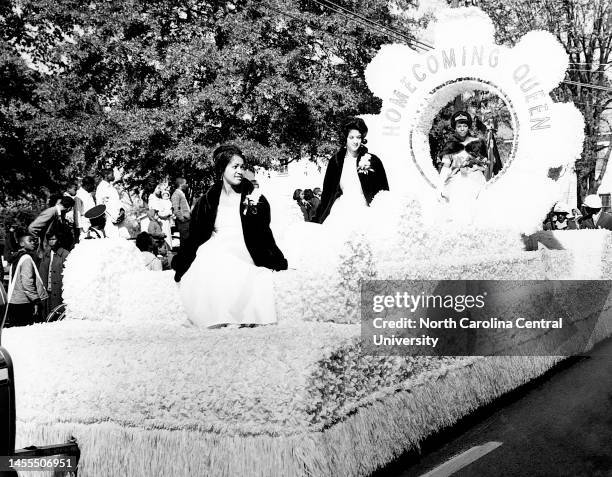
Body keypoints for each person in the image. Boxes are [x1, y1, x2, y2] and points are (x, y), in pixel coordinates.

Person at [172, 144, 288, 328]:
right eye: (235, 167)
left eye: (242, 167)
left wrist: (275, 258)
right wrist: (182, 261)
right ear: (221, 168)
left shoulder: (254, 196)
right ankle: (217, 316)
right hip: (216, 243)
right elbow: (196, 234)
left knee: (231, 261)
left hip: (245, 245)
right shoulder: (207, 201)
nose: (240, 171)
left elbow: (264, 232)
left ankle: (239, 315)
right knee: (209, 257)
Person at [314, 117, 389, 223]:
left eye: (358, 137)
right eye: (351, 137)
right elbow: (327, 192)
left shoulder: (373, 161)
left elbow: (383, 192)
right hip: (341, 212)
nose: (355, 141)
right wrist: (319, 218)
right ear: (345, 138)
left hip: (366, 213)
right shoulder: (335, 162)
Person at [438, 111, 489, 210]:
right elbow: (445, 167)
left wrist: (474, 166)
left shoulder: (477, 143)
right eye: (459, 126)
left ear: (468, 126)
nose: (462, 129)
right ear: (455, 128)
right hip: (456, 179)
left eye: (465, 126)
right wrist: (439, 186)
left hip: (476, 178)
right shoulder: (450, 145)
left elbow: (484, 165)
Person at [3, 230, 48, 327]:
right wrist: (35, 300)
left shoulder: (17, 257)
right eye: (30, 241)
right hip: (24, 302)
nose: (33, 243)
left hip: (14, 301)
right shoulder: (26, 258)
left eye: (34, 241)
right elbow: (27, 283)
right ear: (22, 243)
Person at [28, 195, 75, 260]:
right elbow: (32, 228)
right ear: (69, 208)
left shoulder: (58, 213)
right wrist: (40, 240)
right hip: (46, 249)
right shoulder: (51, 212)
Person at [38, 231, 70, 315]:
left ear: (58, 240)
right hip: (47, 292)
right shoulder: (46, 254)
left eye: (53, 239)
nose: (51, 241)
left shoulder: (65, 254)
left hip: (59, 292)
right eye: (49, 239)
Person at [95, 168, 124, 238]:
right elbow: (99, 206)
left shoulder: (112, 188)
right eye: (112, 174)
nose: (114, 176)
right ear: (106, 175)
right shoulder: (100, 188)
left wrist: (122, 211)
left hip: (119, 220)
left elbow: (118, 202)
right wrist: (108, 218)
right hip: (109, 222)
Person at [171, 178, 191, 246]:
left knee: (187, 241)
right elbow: (176, 209)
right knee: (184, 241)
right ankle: (184, 256)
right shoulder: (176, 194)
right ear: (181, 184)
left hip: (187, 220)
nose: (187, 185)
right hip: (183, 222)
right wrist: (182, 219)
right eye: (185, 183)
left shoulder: (181, 193)